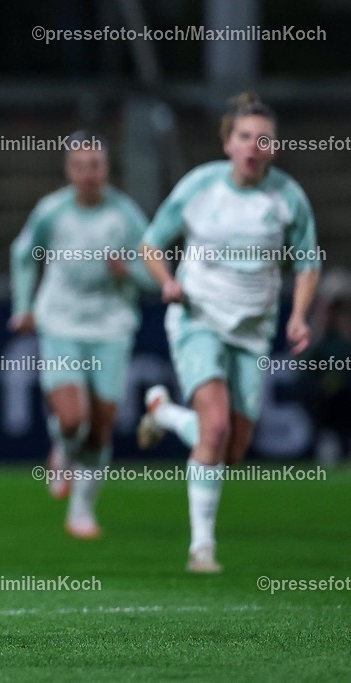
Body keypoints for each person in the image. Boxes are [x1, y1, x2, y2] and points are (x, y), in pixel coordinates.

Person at [137, 92, 320, 573]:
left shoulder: (287, 197)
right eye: (244, 137)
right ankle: (201, 549)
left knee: (232, 449)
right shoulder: (200, 187)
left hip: (253, 331)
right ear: (227, 143)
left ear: (274, 146)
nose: (253, 147)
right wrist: (168, 282)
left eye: (263, 139)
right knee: (214, 427)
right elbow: (151, 244)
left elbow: (307, 261)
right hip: (198, 318)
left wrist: (299, 316)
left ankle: (164, 413)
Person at [10, 131, 155, 539]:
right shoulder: (51, 211)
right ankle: (62, 448)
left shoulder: (125, 215)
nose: (88, 174)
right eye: (80, 166)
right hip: (61, 322)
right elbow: (22, 254)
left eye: (95, 165)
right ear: (68, 170)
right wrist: (23, 306)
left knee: (101, 425)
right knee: (73, 418)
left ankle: (81, 511)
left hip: (111, 326)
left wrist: (130, 271)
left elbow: (156, 271)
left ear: (107, 169)